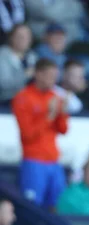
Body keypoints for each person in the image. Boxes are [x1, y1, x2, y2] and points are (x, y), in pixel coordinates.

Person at [12, 58, 68, 210]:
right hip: (33, 161)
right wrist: (49, 115)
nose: (53, 80)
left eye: (55, 76)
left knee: (58, 208)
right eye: (50, 75)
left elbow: (63, 130)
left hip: (54, 161)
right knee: (32, 208)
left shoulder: (54, 96)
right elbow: (28, 134)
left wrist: (62, 112)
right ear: (38, 74)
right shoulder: (23, 98)